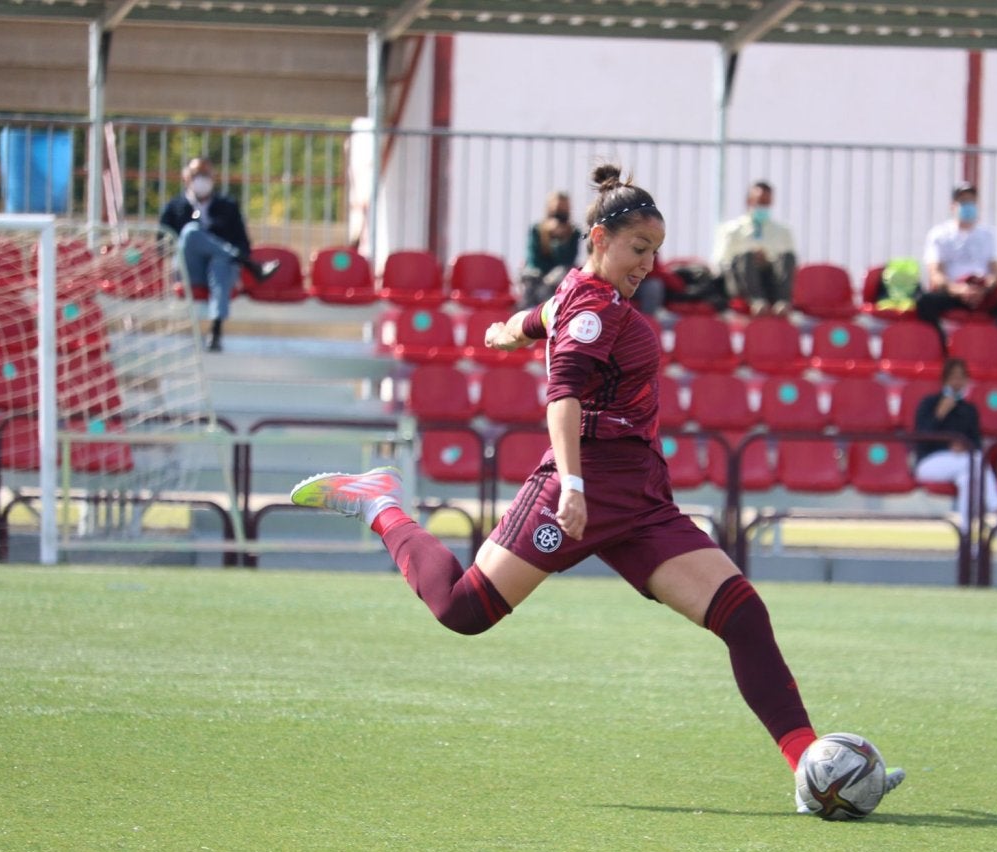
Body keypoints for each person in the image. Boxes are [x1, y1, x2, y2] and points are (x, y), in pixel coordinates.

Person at [289, 164, 903, 814]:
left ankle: (811, 768)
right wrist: (573, 485)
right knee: (462, 611)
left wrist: (512, 329)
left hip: (639, 497)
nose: (647, 264)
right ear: (600, 236)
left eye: (655, 252)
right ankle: (379, 503)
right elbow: (562, 398)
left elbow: (548, 311)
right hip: (582, 487)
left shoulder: (584, 299)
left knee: (743, 615)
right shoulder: (591, 310)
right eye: (639, 248)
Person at [159, 157, 278, 352]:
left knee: (221, 261)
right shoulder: (174, 208)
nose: (201, 179)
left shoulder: (228, 207)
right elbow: (162, 245)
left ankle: (216, 330)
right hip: (190, 270)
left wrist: (219, 250)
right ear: (186, 177)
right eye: (196, 174)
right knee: (190, 232)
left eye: (205, 174)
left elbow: (243, 243)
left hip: (220, 272)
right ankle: (250, 265)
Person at [913, 357, 997, 544]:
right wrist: (939, 415)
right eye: (953, 377)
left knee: (968, 480)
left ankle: (968, 537)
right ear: (944, 379)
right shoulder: (929, 403)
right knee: (976, 460)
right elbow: (921, 438)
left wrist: (963, 447)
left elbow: (976, 442)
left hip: (963, 463)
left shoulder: (969, 409)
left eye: (961, 377)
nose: (957, 382)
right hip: (929, 463)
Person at [915, 182, 997, 341]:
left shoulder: (989, 234)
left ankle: (992, 342)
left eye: (971, 201)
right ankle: (943, 346)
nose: (968, 206)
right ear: (953, 206)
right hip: (953, 293)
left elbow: (996, 271)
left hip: (983, 293)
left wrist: (984, 288)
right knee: (924, 303)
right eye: (963, 201)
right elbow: (935, 273)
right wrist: (958, 289)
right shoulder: (939, 234)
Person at [712, 181, 797, 316]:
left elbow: (788, 264)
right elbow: (721, 261)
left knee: (787, 257)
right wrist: (750, 258)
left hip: (770, 281)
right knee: (747, 257)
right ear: (749, 201)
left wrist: (767, 259)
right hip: (741, 283)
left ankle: (782, 302)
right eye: (759, 201)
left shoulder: (783, 231)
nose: (763, 206)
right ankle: (757, 301)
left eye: (766, 202)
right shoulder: (731, 230)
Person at [520, 191, 583, 308]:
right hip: (537, 278)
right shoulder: (537, 230)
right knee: (529, 275)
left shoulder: (574, 233)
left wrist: (559, 241)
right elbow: (533, 260)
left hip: (558, 278)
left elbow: (568, 260)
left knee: (563, 274)